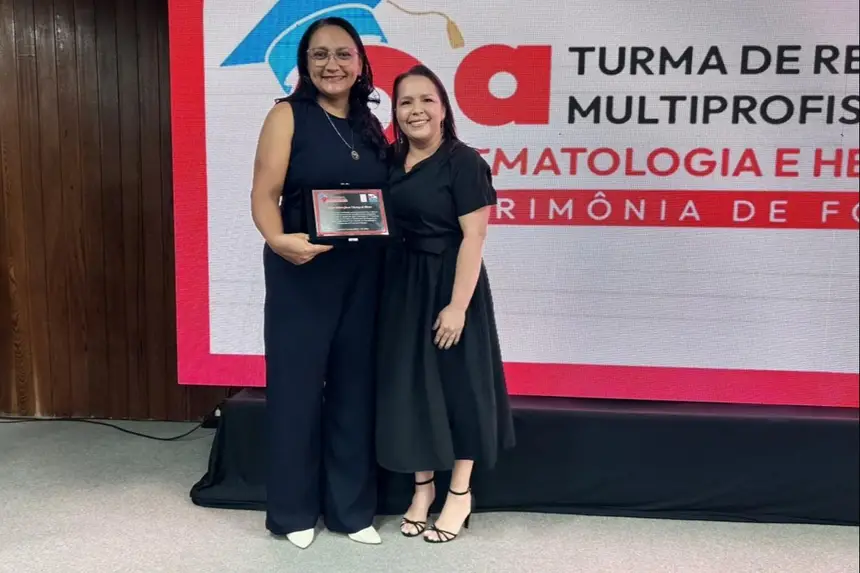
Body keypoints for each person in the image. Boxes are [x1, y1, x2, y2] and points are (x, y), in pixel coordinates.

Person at [250, 17, 389, 549]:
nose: (332, 65)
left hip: (365, 272)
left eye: (343, 55)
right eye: (319, 56)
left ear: (361, 63)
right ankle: (291, 512)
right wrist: (278, 239)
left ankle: (352, 511)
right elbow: (264, 193)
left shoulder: (370, 123)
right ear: (304, 66)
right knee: (296, 391)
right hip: (301, 269)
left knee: (355, 390)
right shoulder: (287, 115)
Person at [375, 65, 516, 544]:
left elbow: (474, 237)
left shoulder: (464, 162)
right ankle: (422, 490)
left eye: (425, 100)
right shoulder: (390, 160)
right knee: (411, 390)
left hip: (451, 285)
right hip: (402, 289)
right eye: (405, 102)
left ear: (443, 108)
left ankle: (459, 494)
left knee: (459, 389)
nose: (416, 110)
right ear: (394, 112)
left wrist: (457, 306)